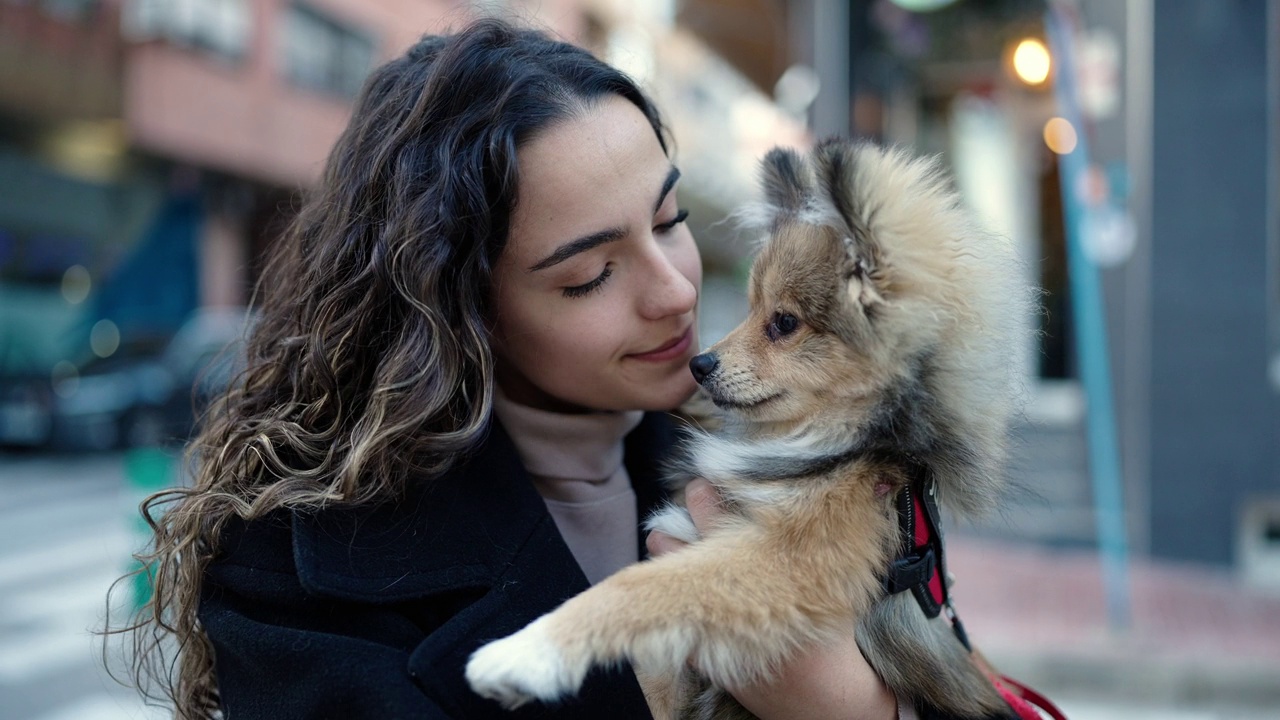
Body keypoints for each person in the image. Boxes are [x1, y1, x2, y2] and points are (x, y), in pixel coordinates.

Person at [118, 17, 1005, 720]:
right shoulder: (296, 576)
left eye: (669, 220)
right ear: (460, 315)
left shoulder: (786, 449)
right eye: (590, 275)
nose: (674, 294)